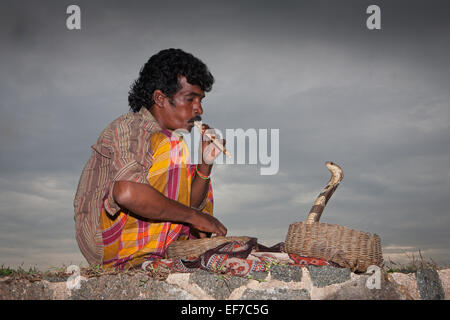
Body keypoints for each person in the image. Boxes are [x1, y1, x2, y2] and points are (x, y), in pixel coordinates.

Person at [73, 48, 227, 270]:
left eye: (200, 99)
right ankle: (139, 261)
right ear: (160, 98)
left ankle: (164, 255)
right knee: (173, 146)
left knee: (196, 173)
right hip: (106, 242)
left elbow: (185, 207)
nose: (199, 108)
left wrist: (205, 164)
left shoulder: (164, 143)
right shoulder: (131, 127)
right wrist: (194, 216)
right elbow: (126, 192)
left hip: (135, 233)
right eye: (190, 98)